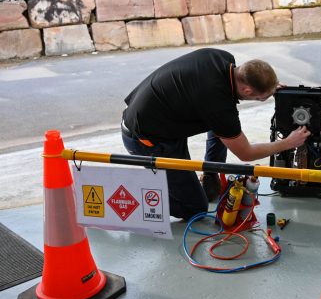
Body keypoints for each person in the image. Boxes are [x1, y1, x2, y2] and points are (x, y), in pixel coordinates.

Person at [121, 48, 310, 221]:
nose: (263, 99)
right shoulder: (217, 102)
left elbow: (223, 112)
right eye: (261, 97)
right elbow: (246, 153)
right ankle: (128, 198)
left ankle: (210, 173)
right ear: (246, 90)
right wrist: (287, 143)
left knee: (223, 128)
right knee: (195, 209)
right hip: (147, 139)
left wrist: (269, 87)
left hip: (160, 119)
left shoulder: (222, 59)